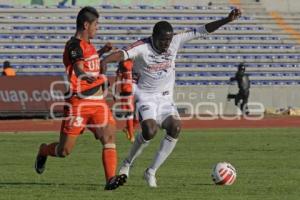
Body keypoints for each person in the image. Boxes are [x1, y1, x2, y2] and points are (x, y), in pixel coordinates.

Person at [101, 8, 242, 187]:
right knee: (149, 131)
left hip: (165, 98)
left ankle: (151, 172)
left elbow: (202, 30)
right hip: (144, 95)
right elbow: (122, 53)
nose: (166, 44)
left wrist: (226, 20)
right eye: (163, 40)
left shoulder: (175, 41)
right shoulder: (142, 47)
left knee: (175, 127)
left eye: (168, 40)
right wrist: (104, 61)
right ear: (153, 37)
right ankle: (127, 164)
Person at [34, 6, 127, 190]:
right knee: (64, 151)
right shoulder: (73, 46)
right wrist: (86, 75)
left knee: (109, 138)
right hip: (78, 103)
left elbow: (89, 59)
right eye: (96, 24)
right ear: (86, 25)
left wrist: (102, 51)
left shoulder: (89, 45)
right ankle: (44, 150)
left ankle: (110, 180)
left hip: (98, 103)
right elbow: (78, 67)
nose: (97, 28)